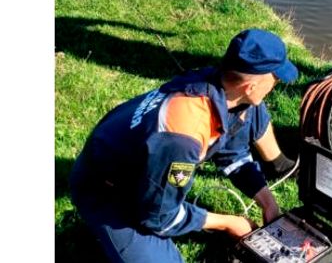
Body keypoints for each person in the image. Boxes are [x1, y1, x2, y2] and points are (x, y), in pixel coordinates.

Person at [69, 28, 301, 262]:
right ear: (249, 87)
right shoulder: (182, 138)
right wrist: (228, 224)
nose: (277, 83)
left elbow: (234, 155)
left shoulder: (224, 90)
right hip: (106, 189)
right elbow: (160, 217)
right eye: (276, 78)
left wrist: (268, 203)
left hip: (140, 163)